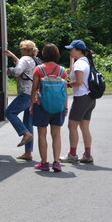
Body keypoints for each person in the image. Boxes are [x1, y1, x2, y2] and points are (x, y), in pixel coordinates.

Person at [29, 43, 67, 172]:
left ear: (44, 54)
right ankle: (56, 162)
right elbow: (65, 91)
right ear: (57, 54)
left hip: (41, 104)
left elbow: (34, 88)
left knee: (42, 133)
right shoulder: (62, 70)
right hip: (58, 105)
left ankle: (44, 163)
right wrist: (65, 106)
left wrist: (31, 105)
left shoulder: (39, 69)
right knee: (56, 134)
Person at [61, 39, 96, 164]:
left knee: (72, 126)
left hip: (81, 98)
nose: (70, 51)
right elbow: (75, 74)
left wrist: (67, 84)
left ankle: (72, 154)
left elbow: (79, 81)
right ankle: (87, 155)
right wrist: (72, 59)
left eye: (72, 49)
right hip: (90, 98)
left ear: (78, 50)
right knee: (84, 126)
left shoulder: (79, 64)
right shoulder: (86, 61)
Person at [4, 40, 38, 161]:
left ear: (25, 50)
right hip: (34, 94)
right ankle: (28, 153)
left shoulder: (24, 59)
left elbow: (18, 71)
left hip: (25, 93)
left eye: (21, 48)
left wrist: (10, 70)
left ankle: (25, 134)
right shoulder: (33, 60)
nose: (20, 50)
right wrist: (12, 56)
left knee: (9, 112)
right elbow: (23, 66)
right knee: (28, 122)